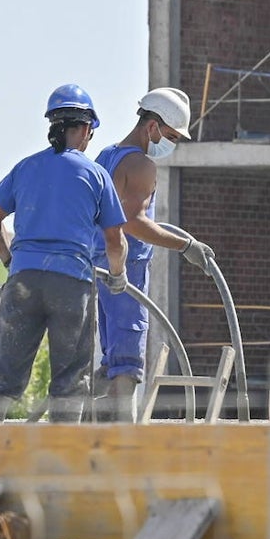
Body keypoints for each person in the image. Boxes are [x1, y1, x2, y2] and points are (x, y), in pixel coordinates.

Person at [0, 84, 128, 423]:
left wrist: (9, 260)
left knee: (4, 373)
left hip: (24, 281)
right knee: (71, 379)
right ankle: (62, 458)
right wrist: (117, 276)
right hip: (71, 283)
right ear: (87, 128)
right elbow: (115, 240)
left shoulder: (26, 168)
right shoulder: (96, 175)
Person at [90, 87, 215, 422]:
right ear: (152, 127)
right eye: (171, 136)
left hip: (98, 266)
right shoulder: (140, 164)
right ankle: (123, 444)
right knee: (128, 362)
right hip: (125, 271)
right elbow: (132, 222)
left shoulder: (106, 155)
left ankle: (89, 427)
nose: (171, 143)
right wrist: (185, 246)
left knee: (110, 359)